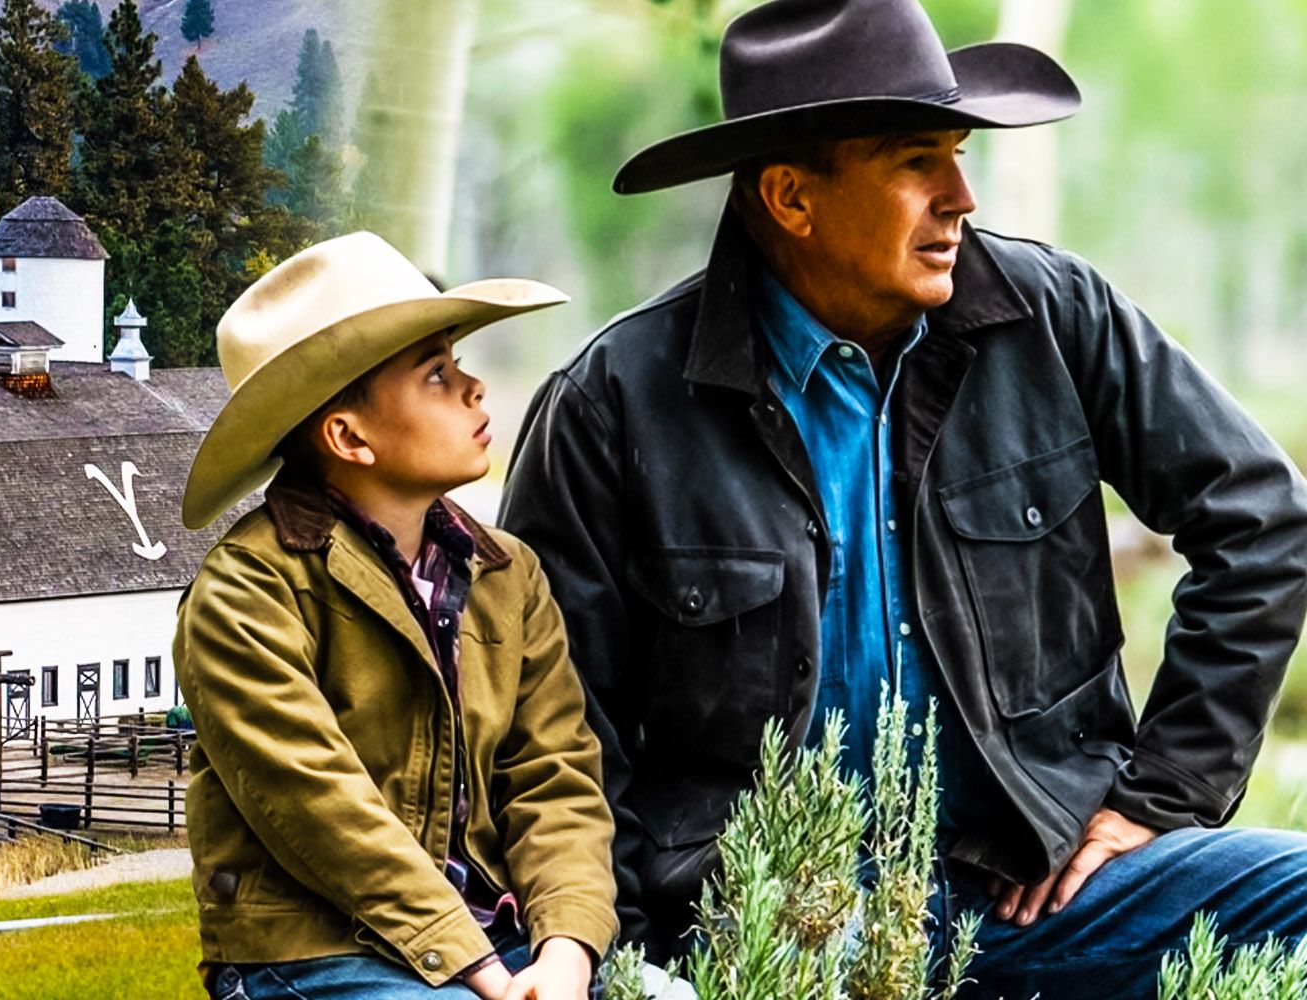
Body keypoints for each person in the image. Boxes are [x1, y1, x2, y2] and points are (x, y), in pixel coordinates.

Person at [498, 0, 1307, 996]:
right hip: (756, 928)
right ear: (791, 197)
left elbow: (1262, 519)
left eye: (957, 154)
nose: (959, 196)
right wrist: (616, 959)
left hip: (1030, 894)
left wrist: (1159, 797)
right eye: (915, 160)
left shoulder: (1053, 315)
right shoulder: (609, 406)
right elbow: (553, 727)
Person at [175, 232, 619, 999]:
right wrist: (479, 970)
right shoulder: (245, 594)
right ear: (350, 436)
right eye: (438, 376)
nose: (475, 388)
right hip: (317, 951)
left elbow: (555, 778)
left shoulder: (508, 577)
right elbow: (321, 810)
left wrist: (566, 953)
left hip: (498, 942)